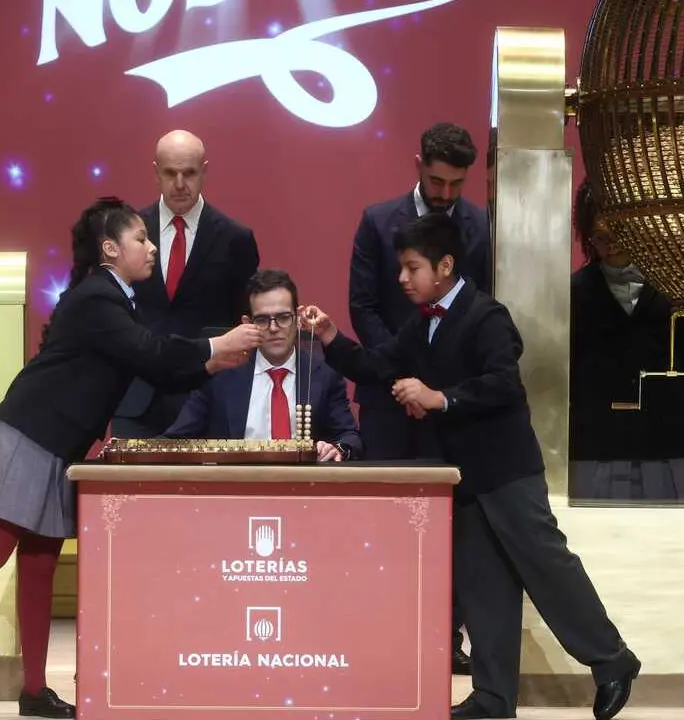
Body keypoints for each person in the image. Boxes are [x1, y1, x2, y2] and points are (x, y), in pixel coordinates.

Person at [0, 197, 263, 720]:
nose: (150, 247)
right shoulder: (99, 297)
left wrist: (212, 362)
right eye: (141, 239)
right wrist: (217, 346)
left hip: (60, 445)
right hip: (30, 433)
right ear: (110, 248)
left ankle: (34, 691)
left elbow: (157, 361)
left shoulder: (116, 299)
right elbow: (149, 353)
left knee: (39, 563)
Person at [302, 213, 640, 720]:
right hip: (463, 477)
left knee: (547, 568)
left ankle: (613, 660)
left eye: (411, 267)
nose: (402, 278)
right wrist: (330, 336)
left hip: (507, 470)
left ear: (444, 266)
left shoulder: (487, 316)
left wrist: (441, 398)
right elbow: (375, 367)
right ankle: (493, 697)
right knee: (484, 586)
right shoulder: (422, 325)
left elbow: (504, 383)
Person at [346, 121, 492, 672]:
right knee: (385, 516)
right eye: (437, 181)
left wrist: (432, 386)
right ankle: (384, 629)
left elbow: (480, 307)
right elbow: (363, 305)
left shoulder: (480, 224)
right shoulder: (377, 220)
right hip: (386, 396)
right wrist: (404, 372)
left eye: (456, 184)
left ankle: (445, 635)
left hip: (447, 398)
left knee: (447, 519)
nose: (446, 194)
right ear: (418, 165)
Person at [112, 129, 261, 439]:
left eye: (189, 173)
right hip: (136, 399)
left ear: (205, 170)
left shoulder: (236, 239)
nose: (180, 184)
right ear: (155, 172)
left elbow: (243, 324)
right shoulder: (126, 234)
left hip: (207, 400)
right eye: (170, 173)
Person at [569, 182, 684, 501]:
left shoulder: (678, 289)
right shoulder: (573, 293)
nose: (611, 246)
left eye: (619, 235)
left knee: (672, 544)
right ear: (589, 235)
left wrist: (671, 406)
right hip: (594, 445)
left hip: (665, 442)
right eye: (601, 238)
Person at [164, 268, 363, 462]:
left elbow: (350, 438)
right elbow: (175, 439)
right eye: (262, 320)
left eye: (284, 317)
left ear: (298, 318)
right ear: (247, 323)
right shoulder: (221, 374)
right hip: (237, 489)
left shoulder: (324, 375)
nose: (274, 328)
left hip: (304, 489)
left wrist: (336, 449)